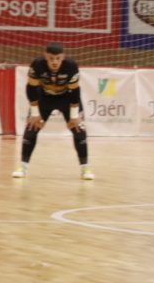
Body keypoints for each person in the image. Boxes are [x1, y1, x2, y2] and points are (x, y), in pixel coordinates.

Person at [12, 42, 93, 180]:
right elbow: (31, 88)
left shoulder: (71, 66)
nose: (54, 62)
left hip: (67, 98)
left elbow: (75, 91)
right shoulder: (37, 64)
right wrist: (35, 114)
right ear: (45, 56)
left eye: (58, 58)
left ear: (63, 57)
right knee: (31, 128)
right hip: (44, 98)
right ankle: (23, 167)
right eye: (51, 58)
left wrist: (74, 116)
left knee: (79, 130)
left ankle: (85, 169)